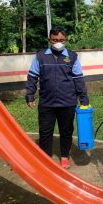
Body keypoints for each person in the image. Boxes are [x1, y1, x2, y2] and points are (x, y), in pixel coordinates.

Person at [26, 27, 89, 169]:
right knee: (45, 131)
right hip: (47, 103)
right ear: (49, 40)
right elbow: (32, 77)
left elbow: (78, 79)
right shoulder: (40, 56)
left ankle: (65, 156)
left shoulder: (72, 57)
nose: (58, 43)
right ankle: (45, 158)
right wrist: (30, 95)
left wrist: (83, 98)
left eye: (61, 40)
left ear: (65, 40)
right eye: (55, 40)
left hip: (67, 102)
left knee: (66, 131)